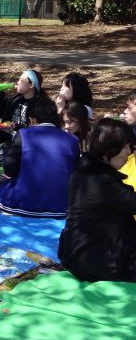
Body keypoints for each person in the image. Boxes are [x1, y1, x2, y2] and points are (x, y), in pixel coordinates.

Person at [58, 118, 136, 282]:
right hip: (99, 264)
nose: (129, 152)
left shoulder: (84, 168)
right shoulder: (102, 181)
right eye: (127, 146)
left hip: (76, 256)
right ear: (110, 148)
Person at [0, 97, 79, 218]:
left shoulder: (24, 134)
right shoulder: (72, 140)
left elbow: (9, 169)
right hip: (62, 206)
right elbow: (76, 174)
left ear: (32, 119)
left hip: (22, 203)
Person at [0, 69, 46, 166]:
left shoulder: (39, 105)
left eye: (21, 80)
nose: (17, 82)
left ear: (31, 85)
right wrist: (0, 92)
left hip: (24, 145)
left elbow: (36, 130)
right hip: (9, 142)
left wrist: (15, 128)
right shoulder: (15, 100)